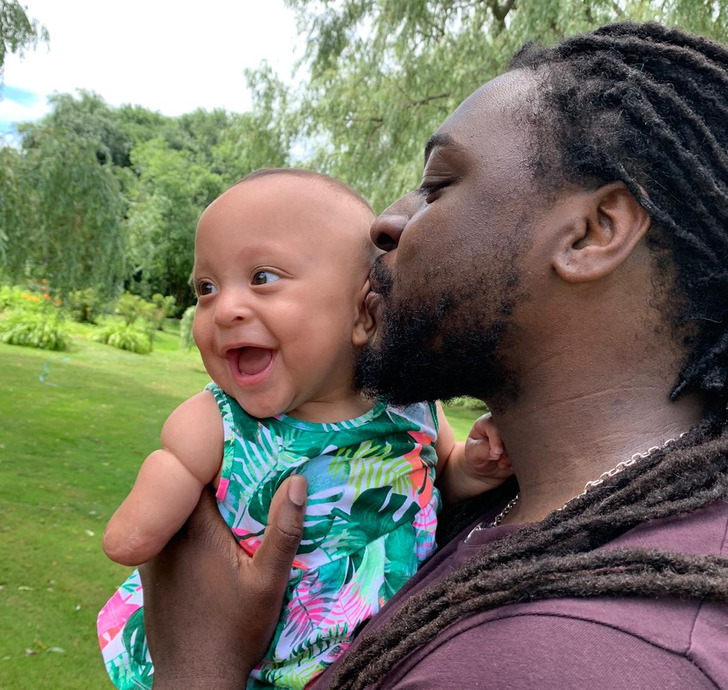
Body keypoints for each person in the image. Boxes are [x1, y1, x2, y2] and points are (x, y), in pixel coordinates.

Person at [134, 19, 728, 688]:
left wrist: (200, 664)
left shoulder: (561, 661)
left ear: (592, 233)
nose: (385, 222)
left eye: (438, 185)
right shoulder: (527, 504)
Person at [97, 168, 512, 690]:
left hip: (359, 663)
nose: (225, 309)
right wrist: (148, 517)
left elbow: (438, 476)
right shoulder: (219, 422)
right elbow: (153, 502)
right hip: (229, 657)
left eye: (262, 278)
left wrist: (472, 467)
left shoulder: (409, 407)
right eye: (206, 288)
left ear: (365, 312)